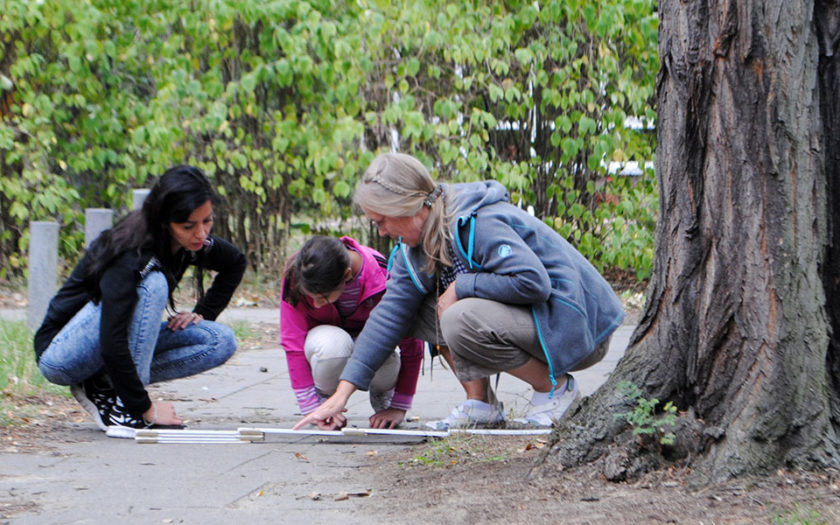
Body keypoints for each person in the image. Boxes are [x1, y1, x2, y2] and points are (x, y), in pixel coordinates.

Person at [294, 152, 625, 431]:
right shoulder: (413, 247)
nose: (380, 231)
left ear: (408, 208)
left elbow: (532, 282)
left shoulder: (477, 221)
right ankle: (481, 405)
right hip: (541, 324)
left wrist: (462, 286)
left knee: (458, 315)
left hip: (576, 328)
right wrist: (342, 394)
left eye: (382, 221)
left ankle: (555, 390)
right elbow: (388, 317)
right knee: (418, 307)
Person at [34, 165, 247, 432]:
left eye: (207, 221)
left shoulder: (192, 243)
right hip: (62, 355)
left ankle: (104, 386)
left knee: (219, 340)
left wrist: (202, 312)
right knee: (153, 283)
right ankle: (125, 405)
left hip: (110, 346)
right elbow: (112, 338)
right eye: (188, 226)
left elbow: (235, 262)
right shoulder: (131, 251)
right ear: (164, 220)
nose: (201, 234)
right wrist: (146, 408)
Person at [281, 235, 424, 429]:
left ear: (347, 275)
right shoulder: (299, 273)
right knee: (333, 344)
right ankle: (327, 401)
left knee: (385, 352)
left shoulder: (383, 273)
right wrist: (311, 407)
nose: (314, 305)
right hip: (327, 342)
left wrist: (399, 405)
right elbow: (293, 342)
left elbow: (411, 341)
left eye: (321, 298)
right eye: (311, 298)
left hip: (372, 343)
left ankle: (383, 394)